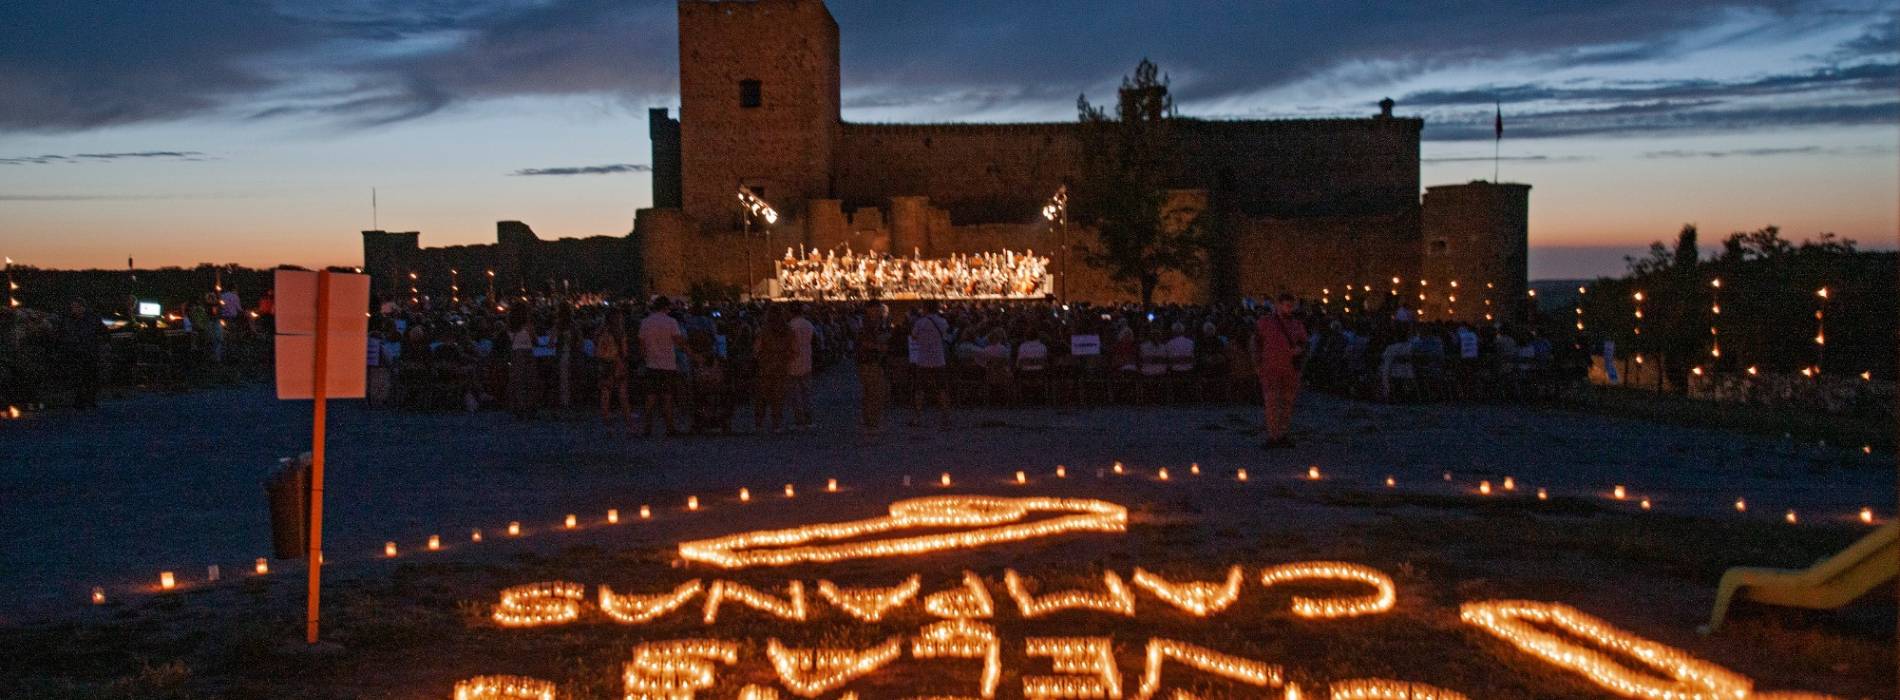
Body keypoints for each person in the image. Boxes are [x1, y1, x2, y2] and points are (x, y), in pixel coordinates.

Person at [1253, 293, 1307, 448]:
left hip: (1290, 370)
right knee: (1272, 403)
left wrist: (1300, 350)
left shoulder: (1297, 324)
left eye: (1291, 306)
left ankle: (1282, 434)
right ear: (1278, 305)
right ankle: (1273, 435)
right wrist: (1257, 364)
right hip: (1271, 369)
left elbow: (1304, 343)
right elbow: (1256, 343)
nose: (1289, 309)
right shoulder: (1265, 323)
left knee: (1287, 403)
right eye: (1287, 305)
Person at [638, 296, 686, 436]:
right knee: (667, 397)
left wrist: (644, 358)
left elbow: (641, 345)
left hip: (651, 364)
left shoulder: (645, 322)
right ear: (666, 307)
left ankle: (647, 427)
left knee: (650, 397)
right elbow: (678, 341)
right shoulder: (671, 322)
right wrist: (689, 352)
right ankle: (670, 427)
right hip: (668, 364)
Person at [53, 298, 106, 409]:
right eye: (73, 307)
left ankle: (90, 400)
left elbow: (102, 332)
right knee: (78, 377)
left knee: (90, 377)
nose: (74, 309)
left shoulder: (92, 319)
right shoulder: (69, 320)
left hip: (90, 351)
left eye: (76, 307)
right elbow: (63, 334)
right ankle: (80, 400)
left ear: (82, 307)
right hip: (76, 352)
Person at [908, 301, 951, 429]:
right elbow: (946, 335)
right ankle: (945, 416)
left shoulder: (920, 323)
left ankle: (917, 417)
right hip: (938, 359)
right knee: (942, 389)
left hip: (923, 359)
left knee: (920, 389)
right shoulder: (942, 322)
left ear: (926, 309)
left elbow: (914, 336)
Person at [753, 304, 793, 433]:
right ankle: (776, 424)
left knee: (762, 397)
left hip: (765, 367)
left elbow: (756, 349)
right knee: (778, 397)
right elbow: (793, 350)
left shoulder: (763, 331)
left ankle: (759, 424)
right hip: (781, 367)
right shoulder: (788, 331)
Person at [855, 302, 891, 435]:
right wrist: (879, 347)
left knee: (870, 392)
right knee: (874, 391)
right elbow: (864, 342)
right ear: (871, 309)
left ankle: (869, 420)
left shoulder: (872, 323)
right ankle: (872, 422)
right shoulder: (867, 325)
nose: (879, 312)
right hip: (869, 361)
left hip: (869, 361)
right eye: (878, 309)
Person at [595, 307, 634, 430]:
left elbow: (597, 348)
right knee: (622, 394)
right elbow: (624, 351)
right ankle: (629, 422)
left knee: (605, 394)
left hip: (604, 363)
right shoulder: (619, 332)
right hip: (617, 363)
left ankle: (607, 422)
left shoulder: (600, 331)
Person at [785, 303, 816, 430]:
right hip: (806, 359)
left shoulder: (790, 326)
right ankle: (809, 419)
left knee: (794, 394)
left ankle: (799, 420)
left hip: (792, 361)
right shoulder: (809, 325)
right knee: (806, 392)